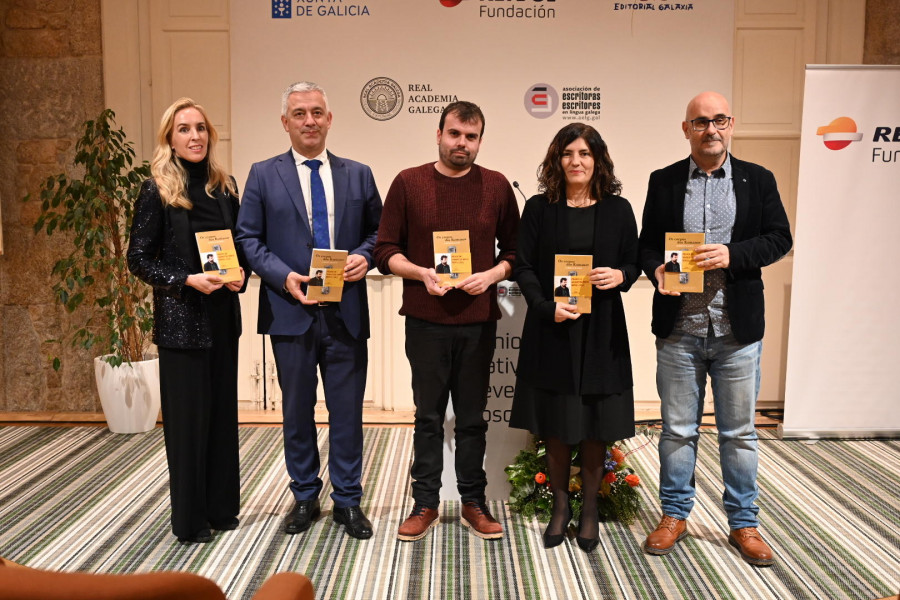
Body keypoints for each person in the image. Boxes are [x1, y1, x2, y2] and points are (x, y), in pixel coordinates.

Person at [638, 91, 792, 566]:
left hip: (736, 331)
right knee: (678, 430)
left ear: (731, 124)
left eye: (719, 120)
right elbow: (646, 246)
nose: (711, 129)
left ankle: (744, 524)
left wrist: (732, 254)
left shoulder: (757, 179)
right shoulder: (663, 181)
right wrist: (657, 271)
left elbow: (781, 238)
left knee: (739, 433)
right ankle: (674, 516)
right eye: (701, 122)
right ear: (686, 129)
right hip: (680, 330)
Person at [236, 81, 382, 540]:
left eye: (317, 112)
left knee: (347, 412)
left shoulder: (358, 174)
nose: (309, 121)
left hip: (345, 314)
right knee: (297, 410)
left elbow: (382, 234)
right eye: (299, 113)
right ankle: (304, 495)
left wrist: (365, 255)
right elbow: (247, 239)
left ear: (330, 118)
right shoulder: (262, 174)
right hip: (290, 310)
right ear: (285, 122)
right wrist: (284, 277)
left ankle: (348, 501)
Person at [374, 101, 519, 542]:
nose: (462, 144)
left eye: (471, 137)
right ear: (439, 134)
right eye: (455, 134)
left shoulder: (495, 186)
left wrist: (492, 275)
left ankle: (474, 502)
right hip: (426, 319)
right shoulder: (408, 182)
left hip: (478, 320)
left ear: (480, 141)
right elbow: (384, 251)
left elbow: (515, 252)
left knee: (474, 417)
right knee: (428, 417)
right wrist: (421, 273)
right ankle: (425, 503)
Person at [509, 123, 638, 553]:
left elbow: (634, 263)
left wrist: (620, 275)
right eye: (568, 153)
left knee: (595, 425)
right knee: (559, 424)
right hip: (554, 328)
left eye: (585, 153)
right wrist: (546, 306)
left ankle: (589, 511)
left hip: (601, 331)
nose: (576, 161)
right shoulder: (540, 210)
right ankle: (561, 507)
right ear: (557, 160)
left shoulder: (619, 210)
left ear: (597, 159)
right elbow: (524, 267)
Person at [127, 97, 249, 544]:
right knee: (187, 424)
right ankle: (190, 520)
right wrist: (185, 279)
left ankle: (221, 509)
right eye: (184, 129)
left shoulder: (225, 186)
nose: (194, 135)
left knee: (221, 417)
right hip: (182, 322)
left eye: (200, 127)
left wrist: (241, 277)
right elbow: (138, 260)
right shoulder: (155, 189)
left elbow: (241, 247)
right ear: (169, 139)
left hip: (222, 319)